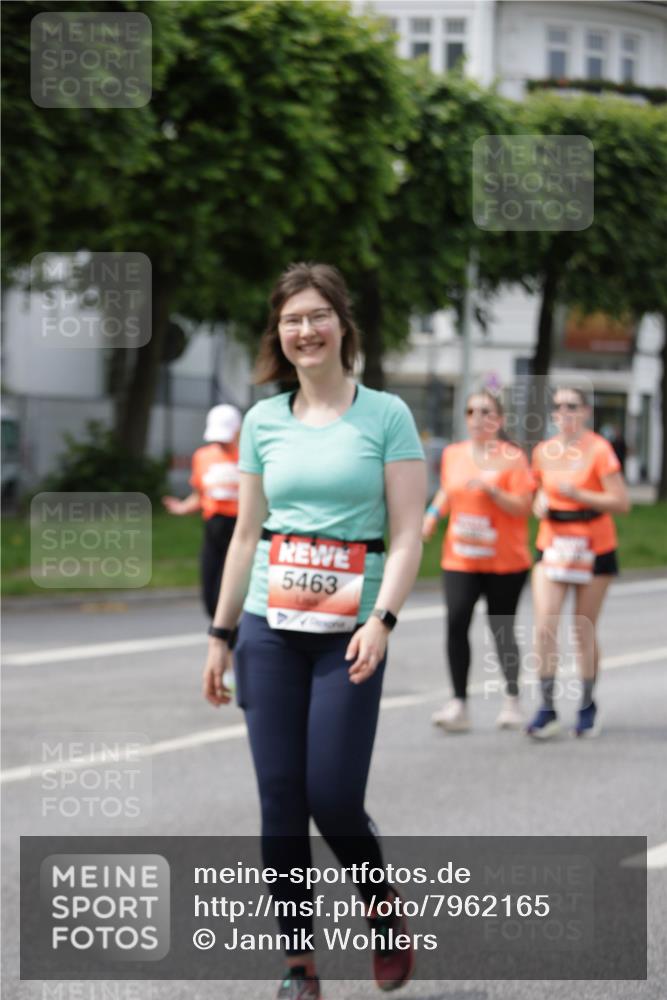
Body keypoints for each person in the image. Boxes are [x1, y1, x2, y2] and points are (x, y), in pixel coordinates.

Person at [202, 263, 426, 1000]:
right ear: (280, 333)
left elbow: (406, 535)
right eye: (290, 320)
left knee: (331, 795)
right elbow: (244, 536)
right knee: (279, 799)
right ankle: (299, 968)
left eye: (316, 315)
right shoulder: (263, 421)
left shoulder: (386, 415)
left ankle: (382, 912)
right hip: (269, 626)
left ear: (341, 325)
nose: (304, 330)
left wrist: (382, 620)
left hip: (348, 633)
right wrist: (221, 632)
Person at [423, 391, 534, 732]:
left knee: (501, 628)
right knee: (456, 623)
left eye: (485, 411)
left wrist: (493, 491)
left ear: (499, 420)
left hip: (505, 562)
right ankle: (459, 704)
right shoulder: (455, 454)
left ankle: (512, 700)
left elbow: (524, 507)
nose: (476, 417)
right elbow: (447, 491)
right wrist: (431, 515)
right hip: (460, 558)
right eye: (471, 411)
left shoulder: (512, 458)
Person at [527, 387, 630, 740]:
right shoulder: (543, 451)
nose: (564, 412)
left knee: (582, 628)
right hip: (553, 543)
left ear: (585, 411)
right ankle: (546, 707)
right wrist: (538, 500)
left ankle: (587, 705)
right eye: (557, 406)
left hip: (593, 545)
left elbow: (621, 502)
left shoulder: (599, 450)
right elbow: (537, 489)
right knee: (544, 625)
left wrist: (581, 494)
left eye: (572, 406)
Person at [162, 404, 241, 618]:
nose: (220, 442)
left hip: (239, 530)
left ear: (238, 431)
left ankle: (230, 640)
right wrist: (182, 507)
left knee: (226, 594)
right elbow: (200, 494)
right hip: (213, 528)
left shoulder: (249, 457)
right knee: (209, 595)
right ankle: (227, 638)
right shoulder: (203, 456)